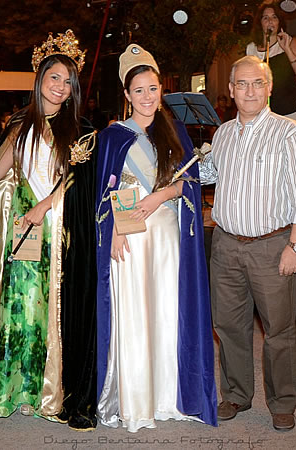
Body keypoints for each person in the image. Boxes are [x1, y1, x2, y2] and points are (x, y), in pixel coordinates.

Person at [95, 44, 217, 433]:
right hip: (129, 237)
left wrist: (161, 194)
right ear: (127, 95)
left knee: (167, 312)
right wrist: (110, 231)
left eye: (154, 89)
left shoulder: (174, 130)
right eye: (140, 91)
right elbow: (101, 195)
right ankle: (136, 400)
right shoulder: (112, 137)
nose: (148, 97)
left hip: (166, 238)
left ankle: (168, 397)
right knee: (135, 315)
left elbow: (189, 184)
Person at [0, 30, 99, 431]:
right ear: (40, 79)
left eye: (68, 81)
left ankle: (49, 392)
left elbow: (77, 183)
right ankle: (16, 390)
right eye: (54, 77)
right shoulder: (19, 124)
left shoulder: (80, 129)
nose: (61, 86)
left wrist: (42, 208)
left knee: (52, 311)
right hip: (23, 232)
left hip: (58, 231)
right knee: (22, 307)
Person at [205, 56, 296, 431]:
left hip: (273, 246)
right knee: (228, 326)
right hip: (225, 245)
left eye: (257, 83)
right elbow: (207, 174)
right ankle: (236, 393)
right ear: (231, 90)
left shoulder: (292, 134)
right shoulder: (221, 134)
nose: (249, 91)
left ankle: (283, 401)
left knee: (279, 330)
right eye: (242, 84)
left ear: (269, 88)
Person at [246, 3, 296, 124]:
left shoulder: (290, 42)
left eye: (274, 17)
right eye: (265, 18)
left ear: (279, 22)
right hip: (264, 113)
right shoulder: (251, 48)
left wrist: (287, 50)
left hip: (290, 112)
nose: (270, 21)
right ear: (260, 23)